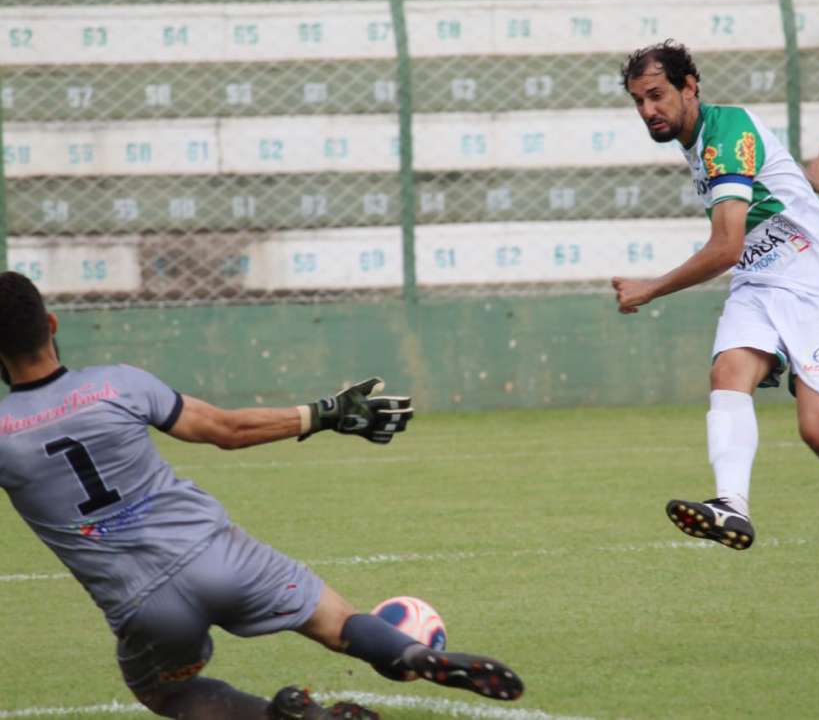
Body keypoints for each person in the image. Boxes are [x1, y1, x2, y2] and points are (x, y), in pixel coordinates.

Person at [0, 271, 525, 720]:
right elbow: (225, 429)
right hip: (220, 556)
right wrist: (324, 413)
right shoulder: (119, 385)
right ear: (51, 325)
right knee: (339, 622)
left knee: (165, 690)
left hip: (143, 602)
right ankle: (411, 654)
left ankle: (278, 716)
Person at [611, 41, 819, 593]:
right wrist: (810, 185)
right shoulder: (702, 139)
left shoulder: (724, 134)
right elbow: (763, 197)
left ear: (691, 88)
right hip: (759, 282)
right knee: (728, 372)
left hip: (815, 284)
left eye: (657, 96)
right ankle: (732, 505)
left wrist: (651, 288)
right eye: (638, 101)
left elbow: (726, 246)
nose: (648, 111)